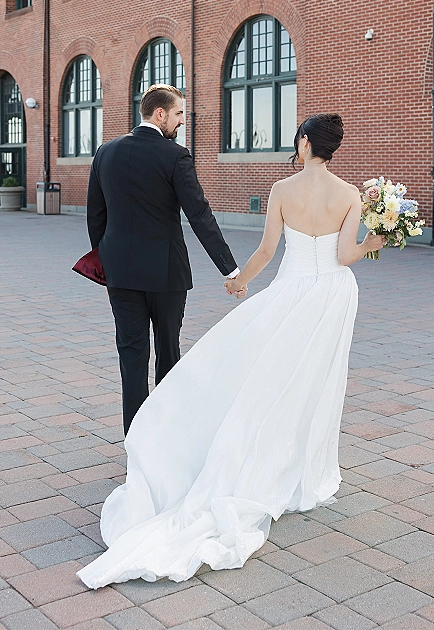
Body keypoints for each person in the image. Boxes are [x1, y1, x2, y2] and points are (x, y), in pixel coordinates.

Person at [78, 113, 385, 589]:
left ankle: (246, 453)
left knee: (267, 374)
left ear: (304, 143)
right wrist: (377, 241)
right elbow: (346, 255)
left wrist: (238, 279)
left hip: (292, 292)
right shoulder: (351, 196)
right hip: (334, 295)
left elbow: (267, 250)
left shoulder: (282, 190)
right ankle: (305, 472)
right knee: (318, 381)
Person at [86, 84, 239, 435]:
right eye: (179, 114)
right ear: (160, 114)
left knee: (131, 356)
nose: (182, 121)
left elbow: (96, 217)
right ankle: (166, 440)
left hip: (121, 274)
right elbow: (199, 215)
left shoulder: (105, 153)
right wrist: (230, 269)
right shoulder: (175, 155)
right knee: (168, 353)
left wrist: (107, 257)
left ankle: (136, 442)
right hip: (166, 275)